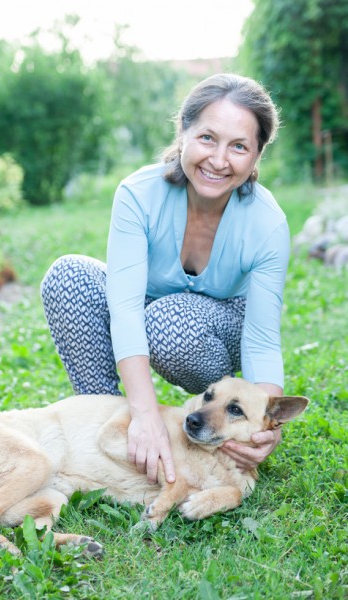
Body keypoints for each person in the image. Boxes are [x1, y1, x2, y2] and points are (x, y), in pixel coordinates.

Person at [41, 72, 289, 487]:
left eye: (239, 146)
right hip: (149, 314)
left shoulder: (267, 223)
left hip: (217, 334)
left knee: (171, 320)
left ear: (256, 156)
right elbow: (123, 306)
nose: (219, 159)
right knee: (69, 276)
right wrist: (143, 412)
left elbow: (262, 339)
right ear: (183, 133)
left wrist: (264, 426)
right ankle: (109, 422)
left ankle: (218, 423)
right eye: (208, 138)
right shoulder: (138, 194)